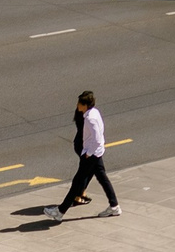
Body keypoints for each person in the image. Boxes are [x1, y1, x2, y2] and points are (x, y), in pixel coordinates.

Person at [42, 89, 121, 219]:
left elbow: (96, 138)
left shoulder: (90, 118)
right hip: (96, 152)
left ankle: (60, 212)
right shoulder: (94, 113)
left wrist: (88, 153)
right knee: (103, 179)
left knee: (78, 181)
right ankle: (114, 206)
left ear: (84, 105)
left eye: (79, 103)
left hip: (91, 154)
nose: (77, 105)